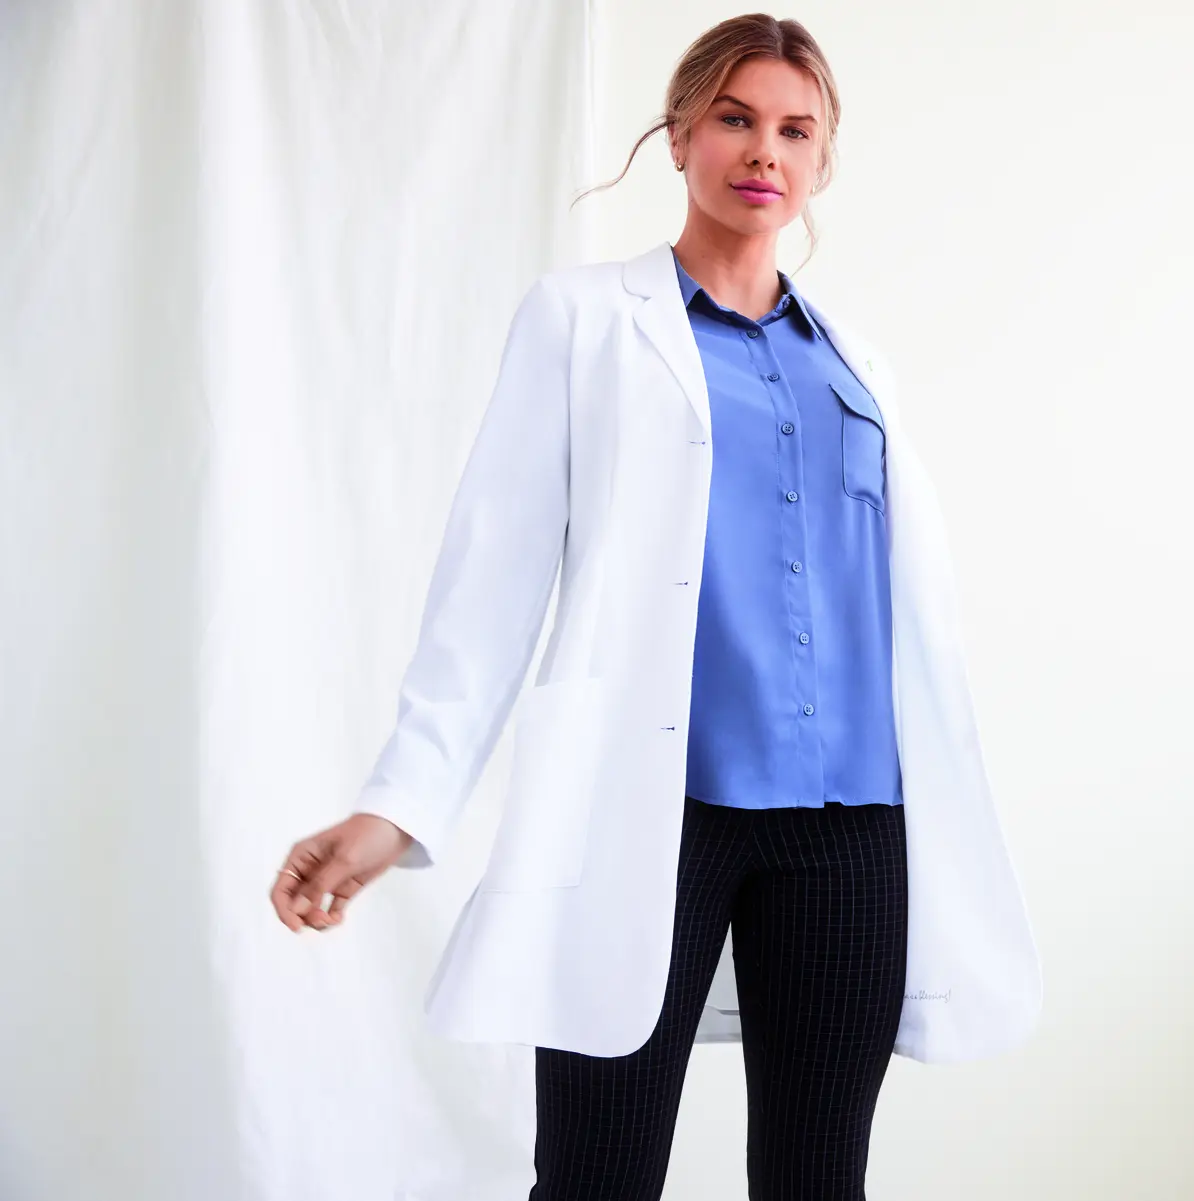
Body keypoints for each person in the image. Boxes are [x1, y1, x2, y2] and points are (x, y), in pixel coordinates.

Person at [269, 13, 1040, 1200]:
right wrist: (398, 804)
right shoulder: (583, 322)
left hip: (852, 824)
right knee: (597, 1177)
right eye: (735, 118)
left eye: (796, 129)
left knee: (819, 1181)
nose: (764, 150)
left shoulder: (856, 366)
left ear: (823, 158)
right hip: (652, 811)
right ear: (679, 134)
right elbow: (492, 579)